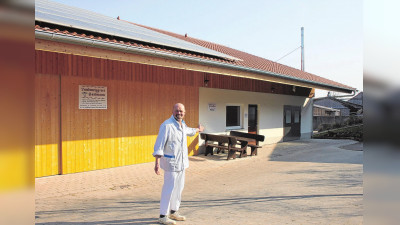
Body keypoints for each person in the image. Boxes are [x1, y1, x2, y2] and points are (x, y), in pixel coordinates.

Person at [153, 103, 204, 225]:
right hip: (171, 164)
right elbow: (159, 145)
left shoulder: (182, 125)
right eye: (177, 111)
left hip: (181, 163)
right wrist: (157, 163)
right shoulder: (166, 125)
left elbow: (189, 131)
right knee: (168, 189)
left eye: (181, 111)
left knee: (179, 188)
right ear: (172, 111)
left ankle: (174, 211)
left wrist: (198, 130)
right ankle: (163, 215)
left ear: (184, 112)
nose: (179, 113)